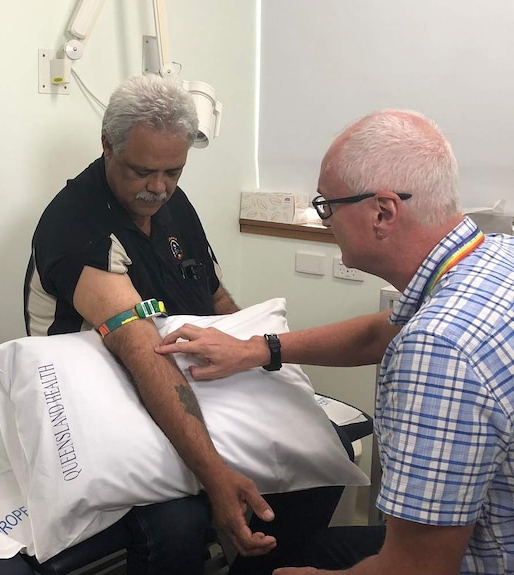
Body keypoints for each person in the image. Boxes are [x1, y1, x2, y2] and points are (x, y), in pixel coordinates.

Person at [156, 109, 514, 575]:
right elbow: (382, 331)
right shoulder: (494, 257)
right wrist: (257, 348)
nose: (324, 220)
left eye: (327, 205)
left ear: (382, 212)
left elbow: (418, 568)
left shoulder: (438, 349)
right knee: (316, 544)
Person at [24, 74, 348, 575]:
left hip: (188, 382)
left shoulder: (174, 203)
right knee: (177, 525)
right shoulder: (75, 225)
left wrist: (261, 371)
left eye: (173, 171)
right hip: (111, 395)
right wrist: (216, 475)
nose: (159, 188)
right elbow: (139, 350)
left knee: (320, 460)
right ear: (108, 145)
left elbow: (216, 297)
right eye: (142, 172)